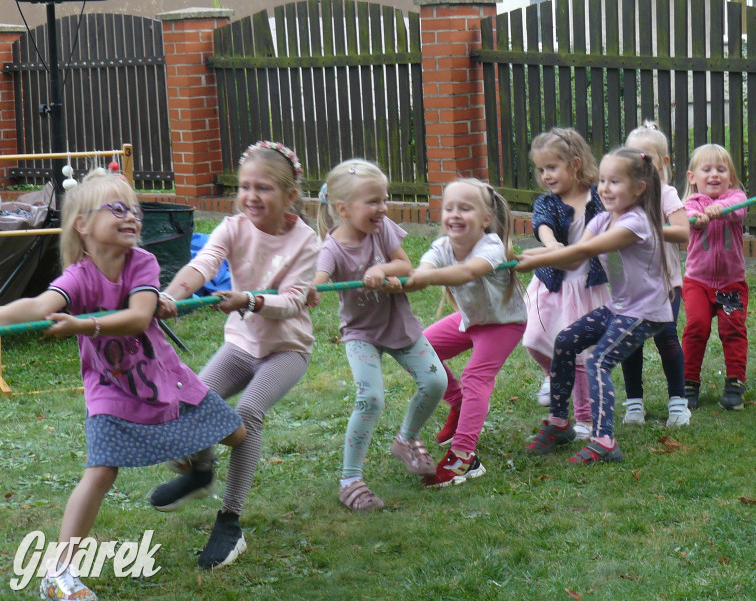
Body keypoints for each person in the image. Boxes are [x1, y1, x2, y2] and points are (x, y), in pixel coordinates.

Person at [0, 170, 244, 601]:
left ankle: (194, 465)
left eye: (133, 209)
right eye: (116, 209)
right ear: (82, 224)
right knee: (101, 472)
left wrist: (84, 325)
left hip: (165, 379)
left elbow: (138, 317)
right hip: (110, 390)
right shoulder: (79, 276)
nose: (131, 216)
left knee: (236, 434)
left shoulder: (142, 262)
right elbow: (39, 305)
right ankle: (59, 573)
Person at [150, 141, 319, 567]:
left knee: (247, 413)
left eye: (263, 188)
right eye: (245, 187)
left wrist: (251, 300)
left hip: (287, 349)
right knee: (195, 399)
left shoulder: (305, 241)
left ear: (289, 195)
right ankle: (201, 471)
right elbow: (202, 265)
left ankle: (230, 521)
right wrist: (170, 295)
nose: (251, 196)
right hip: (242, 345)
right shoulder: (233, 227)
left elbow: (293, 301)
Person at [516, 147, 672, 464]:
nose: (605, 188)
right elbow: (574, 255)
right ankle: (560, 423)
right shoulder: (602, 220)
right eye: (602, 181)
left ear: (639, 188)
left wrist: (534, 259)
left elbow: (581, 253)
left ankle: (604, 441)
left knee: (598, 361)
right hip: (619, 306)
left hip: (645, 312)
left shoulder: (635, 224)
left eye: (615, 181)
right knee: (566, 340)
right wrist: (529, 255)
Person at [309, 159, 446, 510]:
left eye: (384, 199)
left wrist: (383, 269)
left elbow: (405, 265)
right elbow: (319, 280)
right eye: (373, 201)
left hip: (399, 324)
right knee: (370, 398)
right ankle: (350, 480)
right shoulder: (332, 248)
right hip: (361, 334)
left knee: (436, 382)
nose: (383, 208)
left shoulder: (382, 230)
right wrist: (309, 292)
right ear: (343, 208)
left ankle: (406, 439)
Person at [384, 178, 527, 487]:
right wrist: (407, 282)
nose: (455, 215)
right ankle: (459, 402)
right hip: (471, 319)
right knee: (418, 347)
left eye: (465, 208)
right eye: (449, 208)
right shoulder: (442, 246)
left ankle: (464, 456)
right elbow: (423, 272)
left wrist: (425, 278)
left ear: (486, 219)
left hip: (504, 323)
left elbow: (468, 272)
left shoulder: (491, 246)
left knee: (476, 377)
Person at [523, 128, 609, 441]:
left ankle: (585, 418)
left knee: (580, 354)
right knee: (534, 337)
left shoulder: (597, 197)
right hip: (551, 281)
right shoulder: (547, 202)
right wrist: (551, 246)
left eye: (552, 167)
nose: (546, 175)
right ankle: (556, 375)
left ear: (575, 164)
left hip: (584, 285)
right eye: (541, 169)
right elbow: (542, 225)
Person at [619, 122, 691, 426]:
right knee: (629, 341)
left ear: (663, 163)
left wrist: (647, 229)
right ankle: (634, 403)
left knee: (666, 337)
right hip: (631, 285)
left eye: (647, 158)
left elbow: (683, 231)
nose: (640, 165)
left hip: (664, 284)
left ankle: (678, 401)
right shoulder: (622, 195)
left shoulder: (666, 194)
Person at [681, 144, 750, 411]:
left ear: (730, 178)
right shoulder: (690, 204)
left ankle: (735, 384)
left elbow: (737, 210)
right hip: (697, 282)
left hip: (731, 284)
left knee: (732, 329)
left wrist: (719, 209)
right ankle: (688, 383)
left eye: (721, 170)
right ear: (692, 177)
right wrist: (697, 219)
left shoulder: (736, 198)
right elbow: (686, 216)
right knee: (696, 327)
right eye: (707, 169)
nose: (714, 175)